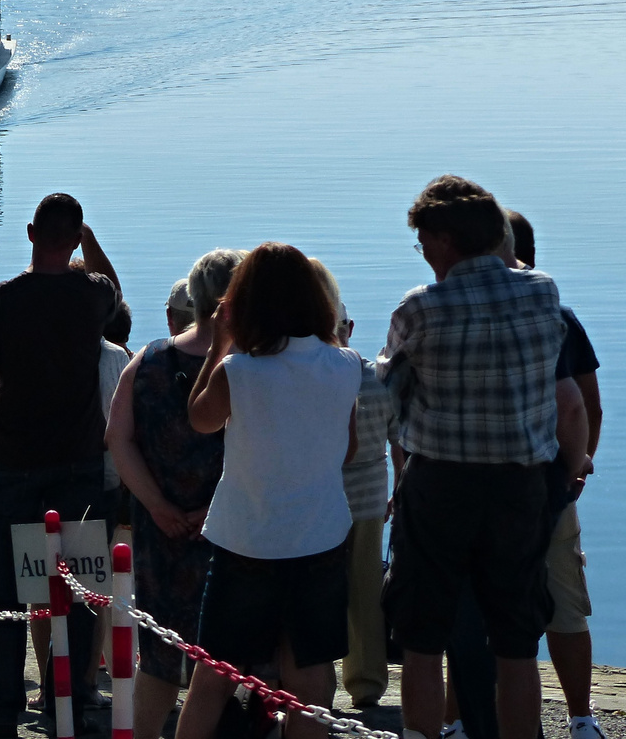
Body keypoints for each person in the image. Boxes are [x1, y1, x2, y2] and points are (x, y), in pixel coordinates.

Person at [378, 176, 577, 739]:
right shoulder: (544, 291)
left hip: (440, 486)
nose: (423, 256)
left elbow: (383, 395)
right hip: (521, 489)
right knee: (516, 640)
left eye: (422, 244)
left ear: (443, 241)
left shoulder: (420, 307)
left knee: (422, 638)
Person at [174, 242, 360, 739]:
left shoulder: (240, 372)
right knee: (310, 680)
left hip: (247, 541)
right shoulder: (346, 364)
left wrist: (218, 343)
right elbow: (347, 450)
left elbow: (201, 420)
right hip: (320, 537)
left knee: (214, 674)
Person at [0, 194, 121, 739]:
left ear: (30, 233)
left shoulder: (0, 302)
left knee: (7, 588)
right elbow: (113, 284)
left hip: (13, 460)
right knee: (76, 591)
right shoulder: (91, 294)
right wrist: (89, 240)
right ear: (75, 239)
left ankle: (6, 707)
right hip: (78, 462)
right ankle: (69, 704)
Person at [441, 210, 601, 739]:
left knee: (474, 614)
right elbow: (584, 406)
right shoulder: (556, 314)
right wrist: (576, 468)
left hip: (483, 487)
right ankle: (578, 720)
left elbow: (584, 404)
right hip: (549, 482)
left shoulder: (453, 313)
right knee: (559, 607)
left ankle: (462, 721)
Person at [106, 248, 244, 739]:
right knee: (234, 657)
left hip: (158, 530)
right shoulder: (248, 367)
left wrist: (158, 506)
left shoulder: (147, 359)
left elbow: (118, 439)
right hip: (230, 529)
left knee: (159, 658)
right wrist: (212, 509)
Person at [310, 259, 400, 711]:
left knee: (319, 591)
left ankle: (315, 679)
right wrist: (399, 489)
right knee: (365, 591)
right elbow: (398, 441)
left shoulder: (312, 376)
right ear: (349, 326)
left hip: (318, 502)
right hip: (367, 500)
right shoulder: (378, 379)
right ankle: (365, 684)